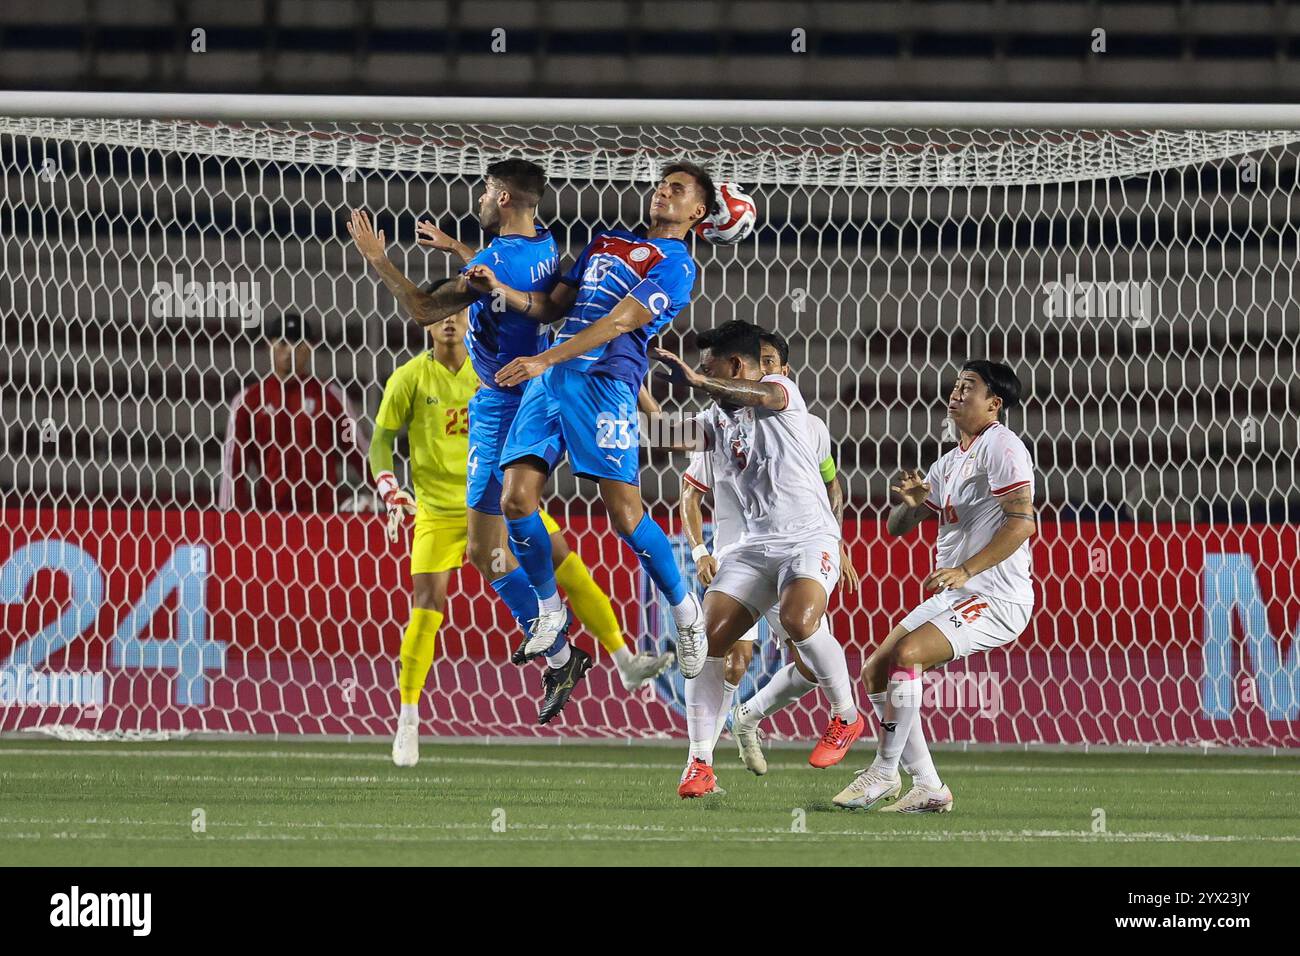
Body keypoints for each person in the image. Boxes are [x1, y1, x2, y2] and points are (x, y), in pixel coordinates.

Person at [463, 162, 721, 681]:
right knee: (515, 499)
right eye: (660, 185)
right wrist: (498, 289)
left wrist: (545, 360)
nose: (662, 193)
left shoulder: (676, 264)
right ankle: (549, 610)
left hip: (605, 383)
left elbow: (620, 322)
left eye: (678, 190)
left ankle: (686, 611)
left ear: (698, 212)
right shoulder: (604, 242)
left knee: (626, 516)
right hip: (553, 378)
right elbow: (550, 307)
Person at [654, 321, 863, 798]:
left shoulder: (781, 392)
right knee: (710, 645)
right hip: (751, 545)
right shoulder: (716, 420)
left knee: (800, 619)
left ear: (733, 367)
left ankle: (846, 715)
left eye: (708, 366)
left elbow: (762, 396)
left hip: (808, 538)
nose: (701, 373)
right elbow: (666, 435)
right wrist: (619, 387)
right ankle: (699, 764)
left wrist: (701, 381)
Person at [832, 360, 1036, 813]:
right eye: (957, 384)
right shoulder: (948, 461)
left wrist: (965, 570)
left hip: (996, 596)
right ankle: (928, 786)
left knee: (909, 655)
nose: (958, 392)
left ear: (994, 403)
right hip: (958, 595)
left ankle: (883, 774)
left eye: (970, 387)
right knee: (875, 671)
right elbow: (898, 527)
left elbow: (1022, 523)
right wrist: (912, 504)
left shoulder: (1002, 447)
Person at [219, 312, 366, 512]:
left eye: (298, 344)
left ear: (310, 348)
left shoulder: (332, 398)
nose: (290, 351)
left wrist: (391, 496)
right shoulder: (247, 401)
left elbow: (361, 453)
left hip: (323, 518)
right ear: (268, 346)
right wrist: (229, 517)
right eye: (282, 343)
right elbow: (233, 467)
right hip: (270, 518)